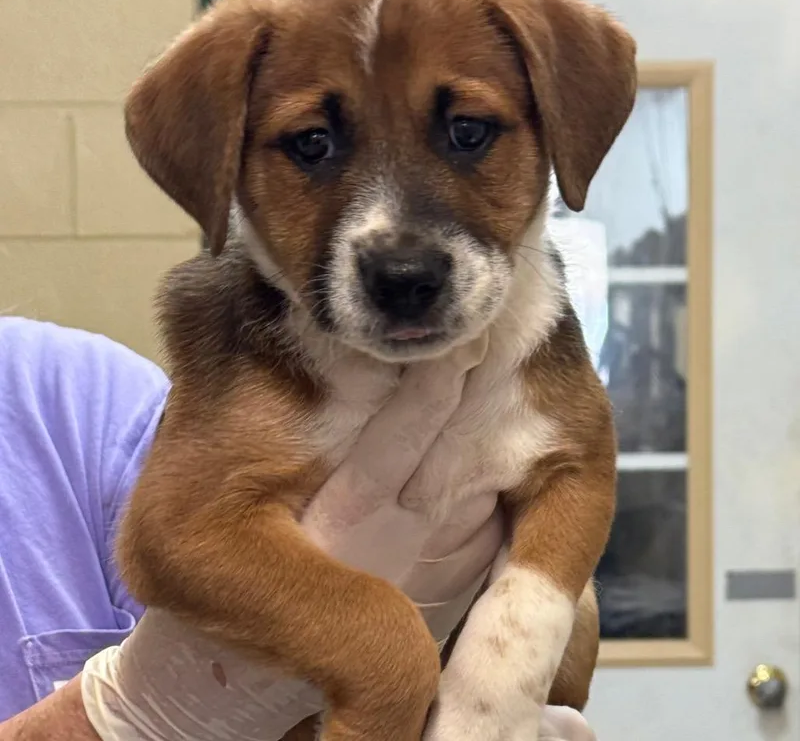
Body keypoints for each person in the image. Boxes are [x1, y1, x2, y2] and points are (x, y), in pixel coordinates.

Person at [0, 316, 595, 740]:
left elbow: (198, 533)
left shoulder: (65, 390)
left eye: (469, 132)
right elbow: (176, 543)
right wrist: (134, 717)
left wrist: (522, 624)